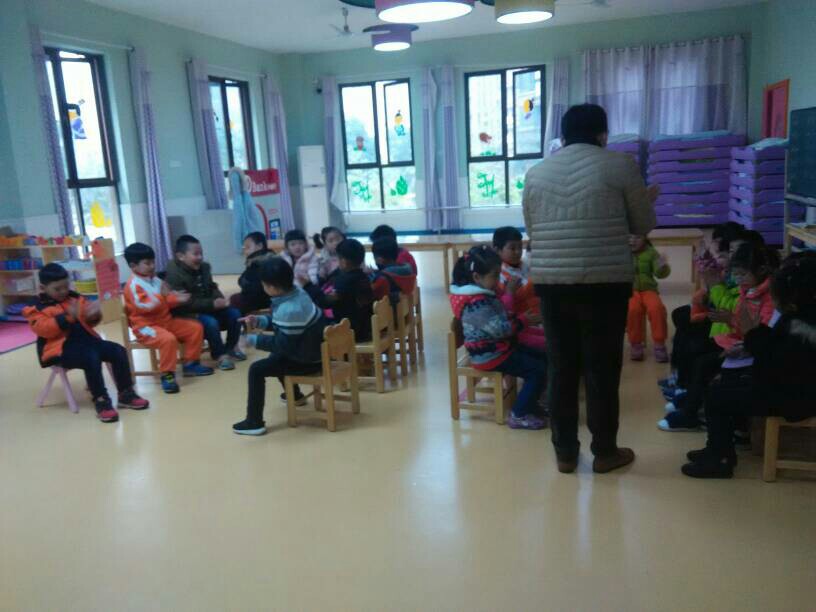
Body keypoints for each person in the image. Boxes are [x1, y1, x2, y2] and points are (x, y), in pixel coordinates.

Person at [523, 103, 659, 474]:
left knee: (561, 368)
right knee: (602, 369)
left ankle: (565, 453)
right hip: (605, 283)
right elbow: (643, 223)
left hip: (552, 283)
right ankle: (605, 452)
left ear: (563, 136)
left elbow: (533, 229)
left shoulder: (536, 173)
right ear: (603, 134)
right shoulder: (620, 166)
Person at [681, 253, 816, 478]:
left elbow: (775, 361)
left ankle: (720, 459)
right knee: (720, 387)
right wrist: (751, 340)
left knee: (718, 396)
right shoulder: (802, 317)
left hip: (795, 399)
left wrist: (751, 334)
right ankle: (718, 449)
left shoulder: (800, 326)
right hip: (793, 390)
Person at [658, 241, 779, 432]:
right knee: (694, 348)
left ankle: (690, 412)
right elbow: (741, 322)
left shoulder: (767, 297)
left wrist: (730, 319)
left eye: (742, 274)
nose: (738, 279)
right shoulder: (747, 289)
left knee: (704, 363)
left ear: (762, 270)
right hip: (735, 340)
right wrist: (729, 319)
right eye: (736, 274)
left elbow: (759, 334)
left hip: (747, 348)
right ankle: (690, 397)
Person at [24, 263, 149, 423]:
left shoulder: (75, 298)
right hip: (60, 350)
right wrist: (68, 317)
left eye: (66, 286)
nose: (63, 291)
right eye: (57, 289)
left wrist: (94, 314)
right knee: (91, 357)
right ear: (43, 288)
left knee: (118, 350)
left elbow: (89, 322)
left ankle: (126, 393)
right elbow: (44, 329)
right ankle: (101, 399)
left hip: (88, 342)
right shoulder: (36, 307)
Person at [449, 246, 547, 430]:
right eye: (494, 276)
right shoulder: (476, 303)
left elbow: (500, 318)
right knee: (537, 370)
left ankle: (529, 403)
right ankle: (518, 414)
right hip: (490, 356)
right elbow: (500, 330)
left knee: (543, 358)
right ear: (477, 277)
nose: (497, 280)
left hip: (499, 348)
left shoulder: (482, 295)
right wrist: (523, 320)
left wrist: (515, 314)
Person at [232, 257, 328, 436]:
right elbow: (284, 325)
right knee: (275, 359)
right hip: (314, 351)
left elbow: (282, 346)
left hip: (309, 360)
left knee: (257, 369)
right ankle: (295, 395)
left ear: (271, 288)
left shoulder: (289, 309)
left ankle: (254, 422)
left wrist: (252, 340)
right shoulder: (298, 292)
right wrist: (259, 320)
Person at [124, 242, 213, 393]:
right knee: (168, 339)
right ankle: (167, 375)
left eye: (153, 262)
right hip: (145, 327)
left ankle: (190, 364)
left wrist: (177, 299)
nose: (152, 266)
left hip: (165, 322)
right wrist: (163, 296)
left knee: (195, 328)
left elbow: (166, 299)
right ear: (133, 266)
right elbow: (144, 306)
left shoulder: (155, 280)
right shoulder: (133, 285)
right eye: (147, 263)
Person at [165, 235, 244, 371]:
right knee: (210, 322)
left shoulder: (205, 267)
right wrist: (212, 304)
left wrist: (220, 299)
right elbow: (185, 303)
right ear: (181, 256)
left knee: (235, 314)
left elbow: (212, 287)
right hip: (187, 314)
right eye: (196, 254)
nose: (200, 257)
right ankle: (220, 355)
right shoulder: (174, 274)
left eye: (201, 253)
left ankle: (230, 348)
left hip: (207, 308)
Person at [301, 238, 374, 343]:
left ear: (343, 262)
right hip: (365, 329)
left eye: (338, 259)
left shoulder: (345, 281)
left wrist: (308, 285)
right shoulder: (363, 277)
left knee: (311, 329)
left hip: (351, 332)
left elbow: (325, 302)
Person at [493, 226, 545, 352]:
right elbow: (504, 310)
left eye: (520, 247)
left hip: (538, 316)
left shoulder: (525, 265)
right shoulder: (497, 275)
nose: (518, 252)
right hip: (522, 323)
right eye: (512, 248)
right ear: (497, 250)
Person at [627, 234, 671, 362]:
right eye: (630, 237)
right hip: (631, 290)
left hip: (649, 290)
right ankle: (636, 344)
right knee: (633, 310)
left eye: (637, 238)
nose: (633, 241)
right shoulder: (623, 252)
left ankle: (659, 344)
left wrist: (662, 266)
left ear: (645, 239)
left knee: (657, 309)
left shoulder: (651, 252)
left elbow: (659, 274)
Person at [229, 231, 275, 315]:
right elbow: (242, 279)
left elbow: (250, 284)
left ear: (260, 246)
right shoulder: (256, 260)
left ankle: (244, 321)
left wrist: (244, 283)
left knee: (234, 300)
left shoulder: (259, 262)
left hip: (263, 299)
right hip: (261, 297)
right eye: (244, 248)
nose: (245, 251)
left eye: (248, 247)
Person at [371, 238, 417, 302]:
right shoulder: (408, 270)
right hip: (402, 307)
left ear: (380, 259)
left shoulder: (383, 279)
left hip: (385, 308)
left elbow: (372, 293)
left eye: (374, 258)